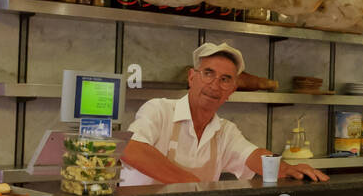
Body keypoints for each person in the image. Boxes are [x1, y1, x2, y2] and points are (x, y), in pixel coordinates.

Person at [121, 42, 328, 185]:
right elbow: (131, 148)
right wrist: (192, 186)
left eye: (225, 79)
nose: (215, 85)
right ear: (192, 78)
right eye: (208, 73)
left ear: (232, 90)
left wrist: (285, 169)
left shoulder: (225, 131)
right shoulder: (159, 110)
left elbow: (252, 155)